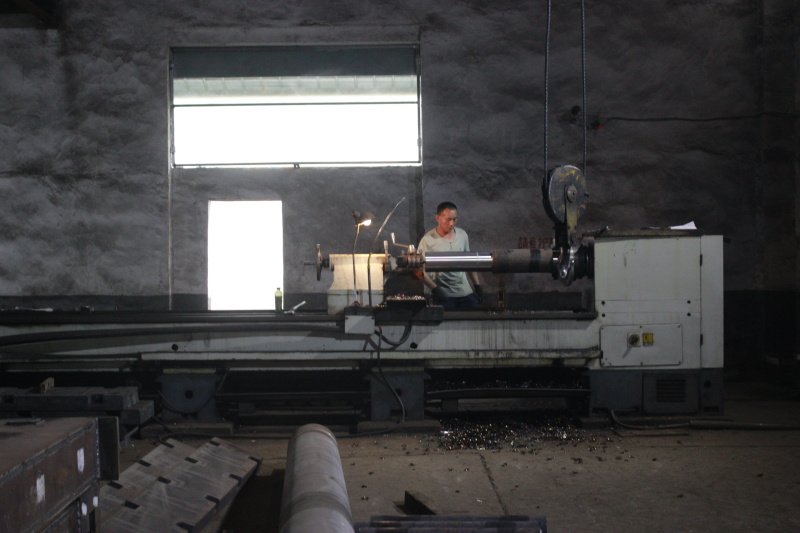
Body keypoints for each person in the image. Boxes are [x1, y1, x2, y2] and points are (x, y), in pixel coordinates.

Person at [417, 201, 482, 309]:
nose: (451, 223)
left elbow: (469, 263)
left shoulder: (462, 235)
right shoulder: (428, 240)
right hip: (444, 296)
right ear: (438, 218)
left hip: (465, 293)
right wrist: (435, 289)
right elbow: (418, 270)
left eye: (454, 219)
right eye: (448, 219)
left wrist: (477, 286)